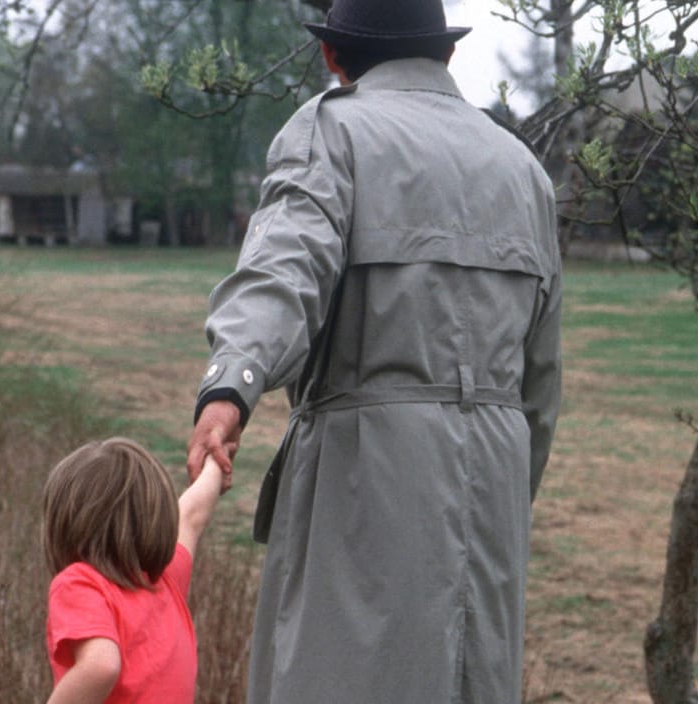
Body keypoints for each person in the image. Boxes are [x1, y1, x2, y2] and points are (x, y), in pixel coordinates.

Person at [185, 0, 562, 701]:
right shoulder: (522, 169)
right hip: (493, 497)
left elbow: (282, 268)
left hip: (363, 486)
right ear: (443, 56)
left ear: (333, 57)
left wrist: (230, 383)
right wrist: (503, 498)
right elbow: (539, 386)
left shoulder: (332, 130)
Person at [43, 437, 226, 704]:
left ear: (64, 522)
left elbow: (100, 666)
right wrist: (216, 460)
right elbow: (191, 515)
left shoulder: (79, 584)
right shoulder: (165, 579)